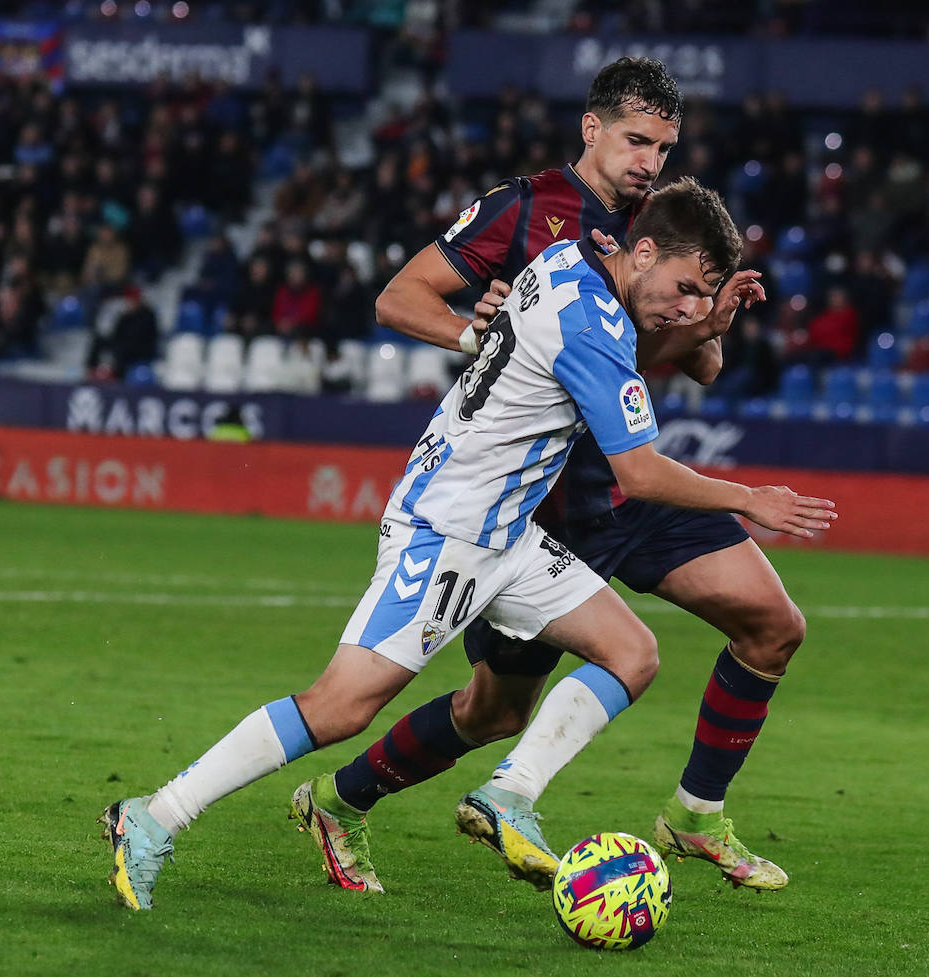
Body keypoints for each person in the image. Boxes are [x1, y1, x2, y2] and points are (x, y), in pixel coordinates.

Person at [100, 178, 836, 910]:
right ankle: (155, 814)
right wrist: (751, 499)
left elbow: (619, 344)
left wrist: (698, 328)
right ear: (642, 252)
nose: (688, 306)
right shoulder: (593, 327)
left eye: (701, 297)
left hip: (506, 531)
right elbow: (639, 473)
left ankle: (508, 792)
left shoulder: (576, 258)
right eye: (684, 287)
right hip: (447, 531)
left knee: (632, 652)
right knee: (340, 706)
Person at [298, 57, 827, 895]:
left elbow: (700, 365)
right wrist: (482, 336)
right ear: (593, 128)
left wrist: (709, 320)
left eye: (663, 144)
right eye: (636, 140)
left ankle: (694, 814)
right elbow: (399, 299)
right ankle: (340, 797)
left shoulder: (667, 225)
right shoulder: (528, 208)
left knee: (773, 625)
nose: (650, 160)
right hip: (544, 509)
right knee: (493, 711)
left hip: (637, 481)